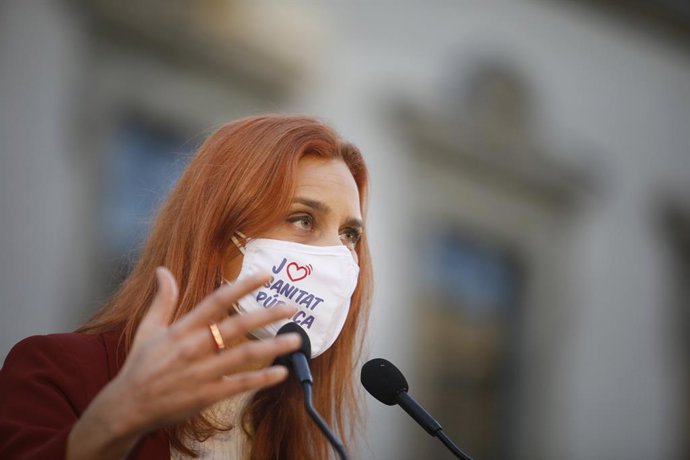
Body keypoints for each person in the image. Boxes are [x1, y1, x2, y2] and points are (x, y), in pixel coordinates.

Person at [0, 114, 372, 460]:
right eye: (303, 219)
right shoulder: (57, 372)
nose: (335, 257)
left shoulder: (298, 425)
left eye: (349, 234)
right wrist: (111, 426)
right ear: (220, 229)